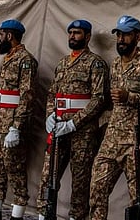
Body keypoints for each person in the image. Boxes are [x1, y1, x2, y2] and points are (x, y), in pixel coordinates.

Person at [36, 19, 109, 220]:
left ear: (87, 37)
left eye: (77, 33)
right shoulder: (62, 63)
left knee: (80, 182)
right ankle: (44, 215)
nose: (72, 36)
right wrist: (50, 115)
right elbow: (52, 93)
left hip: (82, 133)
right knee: (47, 177)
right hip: (58, 129)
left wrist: (73, 123)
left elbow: (99, 99)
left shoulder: (96, 64)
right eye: (70, 33)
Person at [89, 15, 140, 219]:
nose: (121, 39)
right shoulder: (115, 65)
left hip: (136, 140)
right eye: (119, 34)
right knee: (97, 187)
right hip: (112, 138)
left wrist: (131, 97)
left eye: (126, 35)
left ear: (138, 36)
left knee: (137, 197)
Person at [0, 19, 38, 220]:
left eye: (1, 34)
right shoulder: (8, 58)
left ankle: (17, 215)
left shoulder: (25, 60)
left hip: (12, 126)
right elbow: (4, 95)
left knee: (16, 171)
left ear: (9, 36)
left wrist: (16, 128)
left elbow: (26, 96)